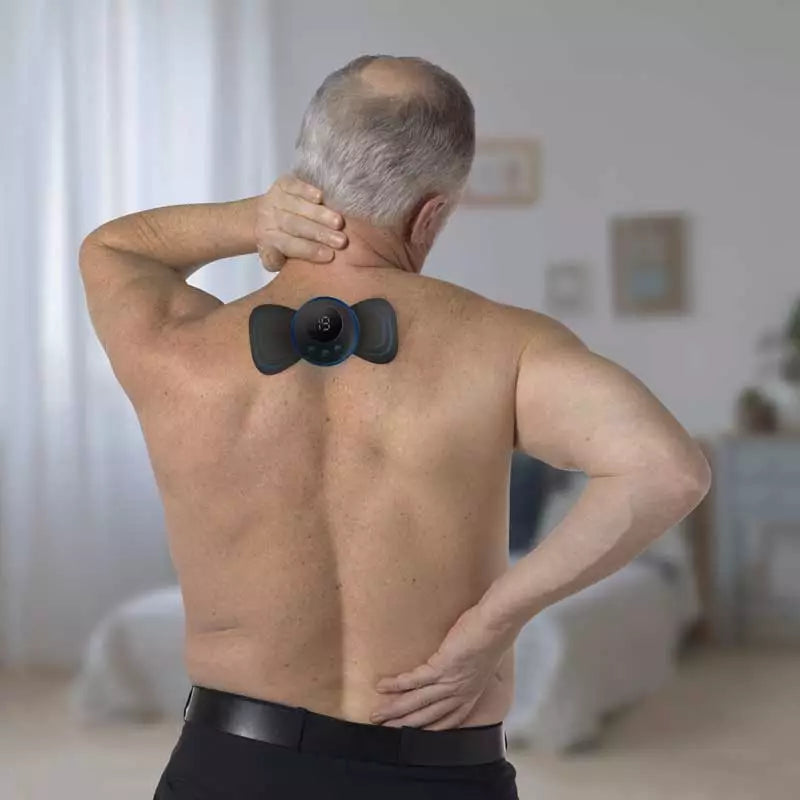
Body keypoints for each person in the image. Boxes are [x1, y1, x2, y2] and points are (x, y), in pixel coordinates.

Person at [78, 55, 711, 800]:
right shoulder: (505, 348)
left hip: (231, 767)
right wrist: (492, 623)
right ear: (430, 214)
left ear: (308, 175)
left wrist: (252, 219)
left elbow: (112, 248)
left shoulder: (180, 349)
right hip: (439, 772)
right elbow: (671, 470)